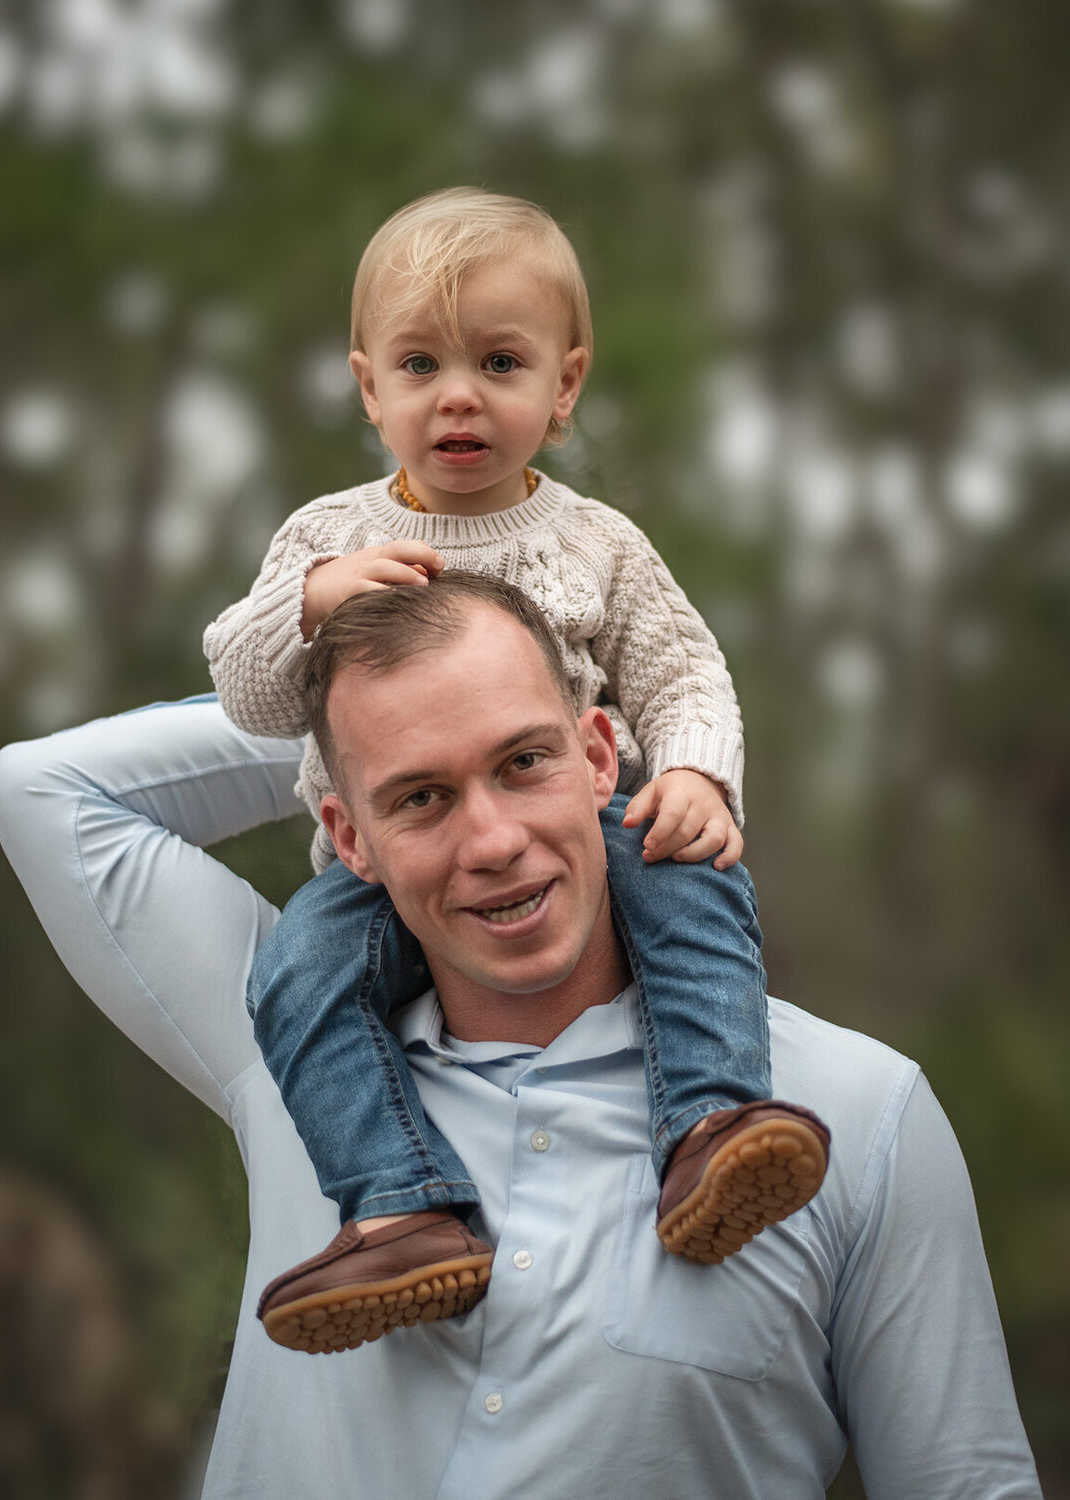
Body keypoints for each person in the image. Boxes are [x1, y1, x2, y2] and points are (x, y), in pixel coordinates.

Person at [0, 574, 1041, 1498]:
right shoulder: (290, 1043)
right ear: (348, 836)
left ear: (598, 755)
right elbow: (46, 790)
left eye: (525, 760)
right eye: (422, 798)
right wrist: (349, 718)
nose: (492, 841)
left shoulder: (857, 1113)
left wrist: (544, 698)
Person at [202, 188, 829, 1348]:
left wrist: (694, 775)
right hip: (392, 876)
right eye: (420, 364)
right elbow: (247, 693)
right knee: (297, 973)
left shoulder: (596, 542)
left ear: (566, 385)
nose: (459, 396)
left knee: (694, 879)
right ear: (367, 386)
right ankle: (401, 1209)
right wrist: (306, 608)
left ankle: (709, 1129)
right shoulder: (322, 539)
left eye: (500, 361)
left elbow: (683, 671)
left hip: (589, 829)